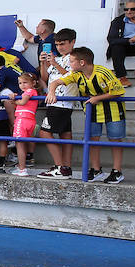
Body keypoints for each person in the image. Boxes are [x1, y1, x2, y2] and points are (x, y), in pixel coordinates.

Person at [46, 46, 127, 183]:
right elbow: (56, 82)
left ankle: (117, 171)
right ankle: (96, 169)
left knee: (115, 140)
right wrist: (52, 92)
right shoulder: (76, 74)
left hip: (113, 110)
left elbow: (118, 91)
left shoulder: (103, 72)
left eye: (71, 61)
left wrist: (98, 98)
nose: (69, 64)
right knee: (92, 140)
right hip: (92, 112)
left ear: (82, 62)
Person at [36, 28, 80, 179]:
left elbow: (70, 77)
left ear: (72, 42)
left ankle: (60, 167)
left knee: (44, 132)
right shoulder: (58, 58)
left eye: (63, 43)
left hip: (62, 102)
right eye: (57, 44)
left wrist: (54, 63)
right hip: (54, 101)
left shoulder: (74, 58)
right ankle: (65, 168)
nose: (60, 47)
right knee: (65, 135)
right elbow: (45, 77)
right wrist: (43, 63)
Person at [10, 72, 41, 176]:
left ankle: (22, 168)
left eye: (25, 82)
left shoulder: (29, 91)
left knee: (19, 144)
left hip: (22, 120)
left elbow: (22, 102)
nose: (22, 85)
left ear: (33, 83)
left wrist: (14, 101)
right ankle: (23, 166)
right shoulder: (33, 91)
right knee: (23, 143)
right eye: (20, 83)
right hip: (30, 119)